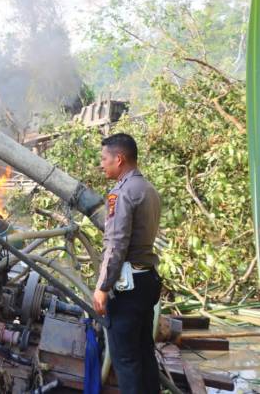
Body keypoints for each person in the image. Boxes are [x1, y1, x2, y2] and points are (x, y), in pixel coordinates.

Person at [93, 133, 162, 394]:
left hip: (127, 288)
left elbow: (116, 244)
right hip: (147, 280)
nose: (101, 164)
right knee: (145, 353)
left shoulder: (121, 193)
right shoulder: (148, 189)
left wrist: (103, 286)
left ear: (119, 159)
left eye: (104, 159)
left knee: (126, 360)